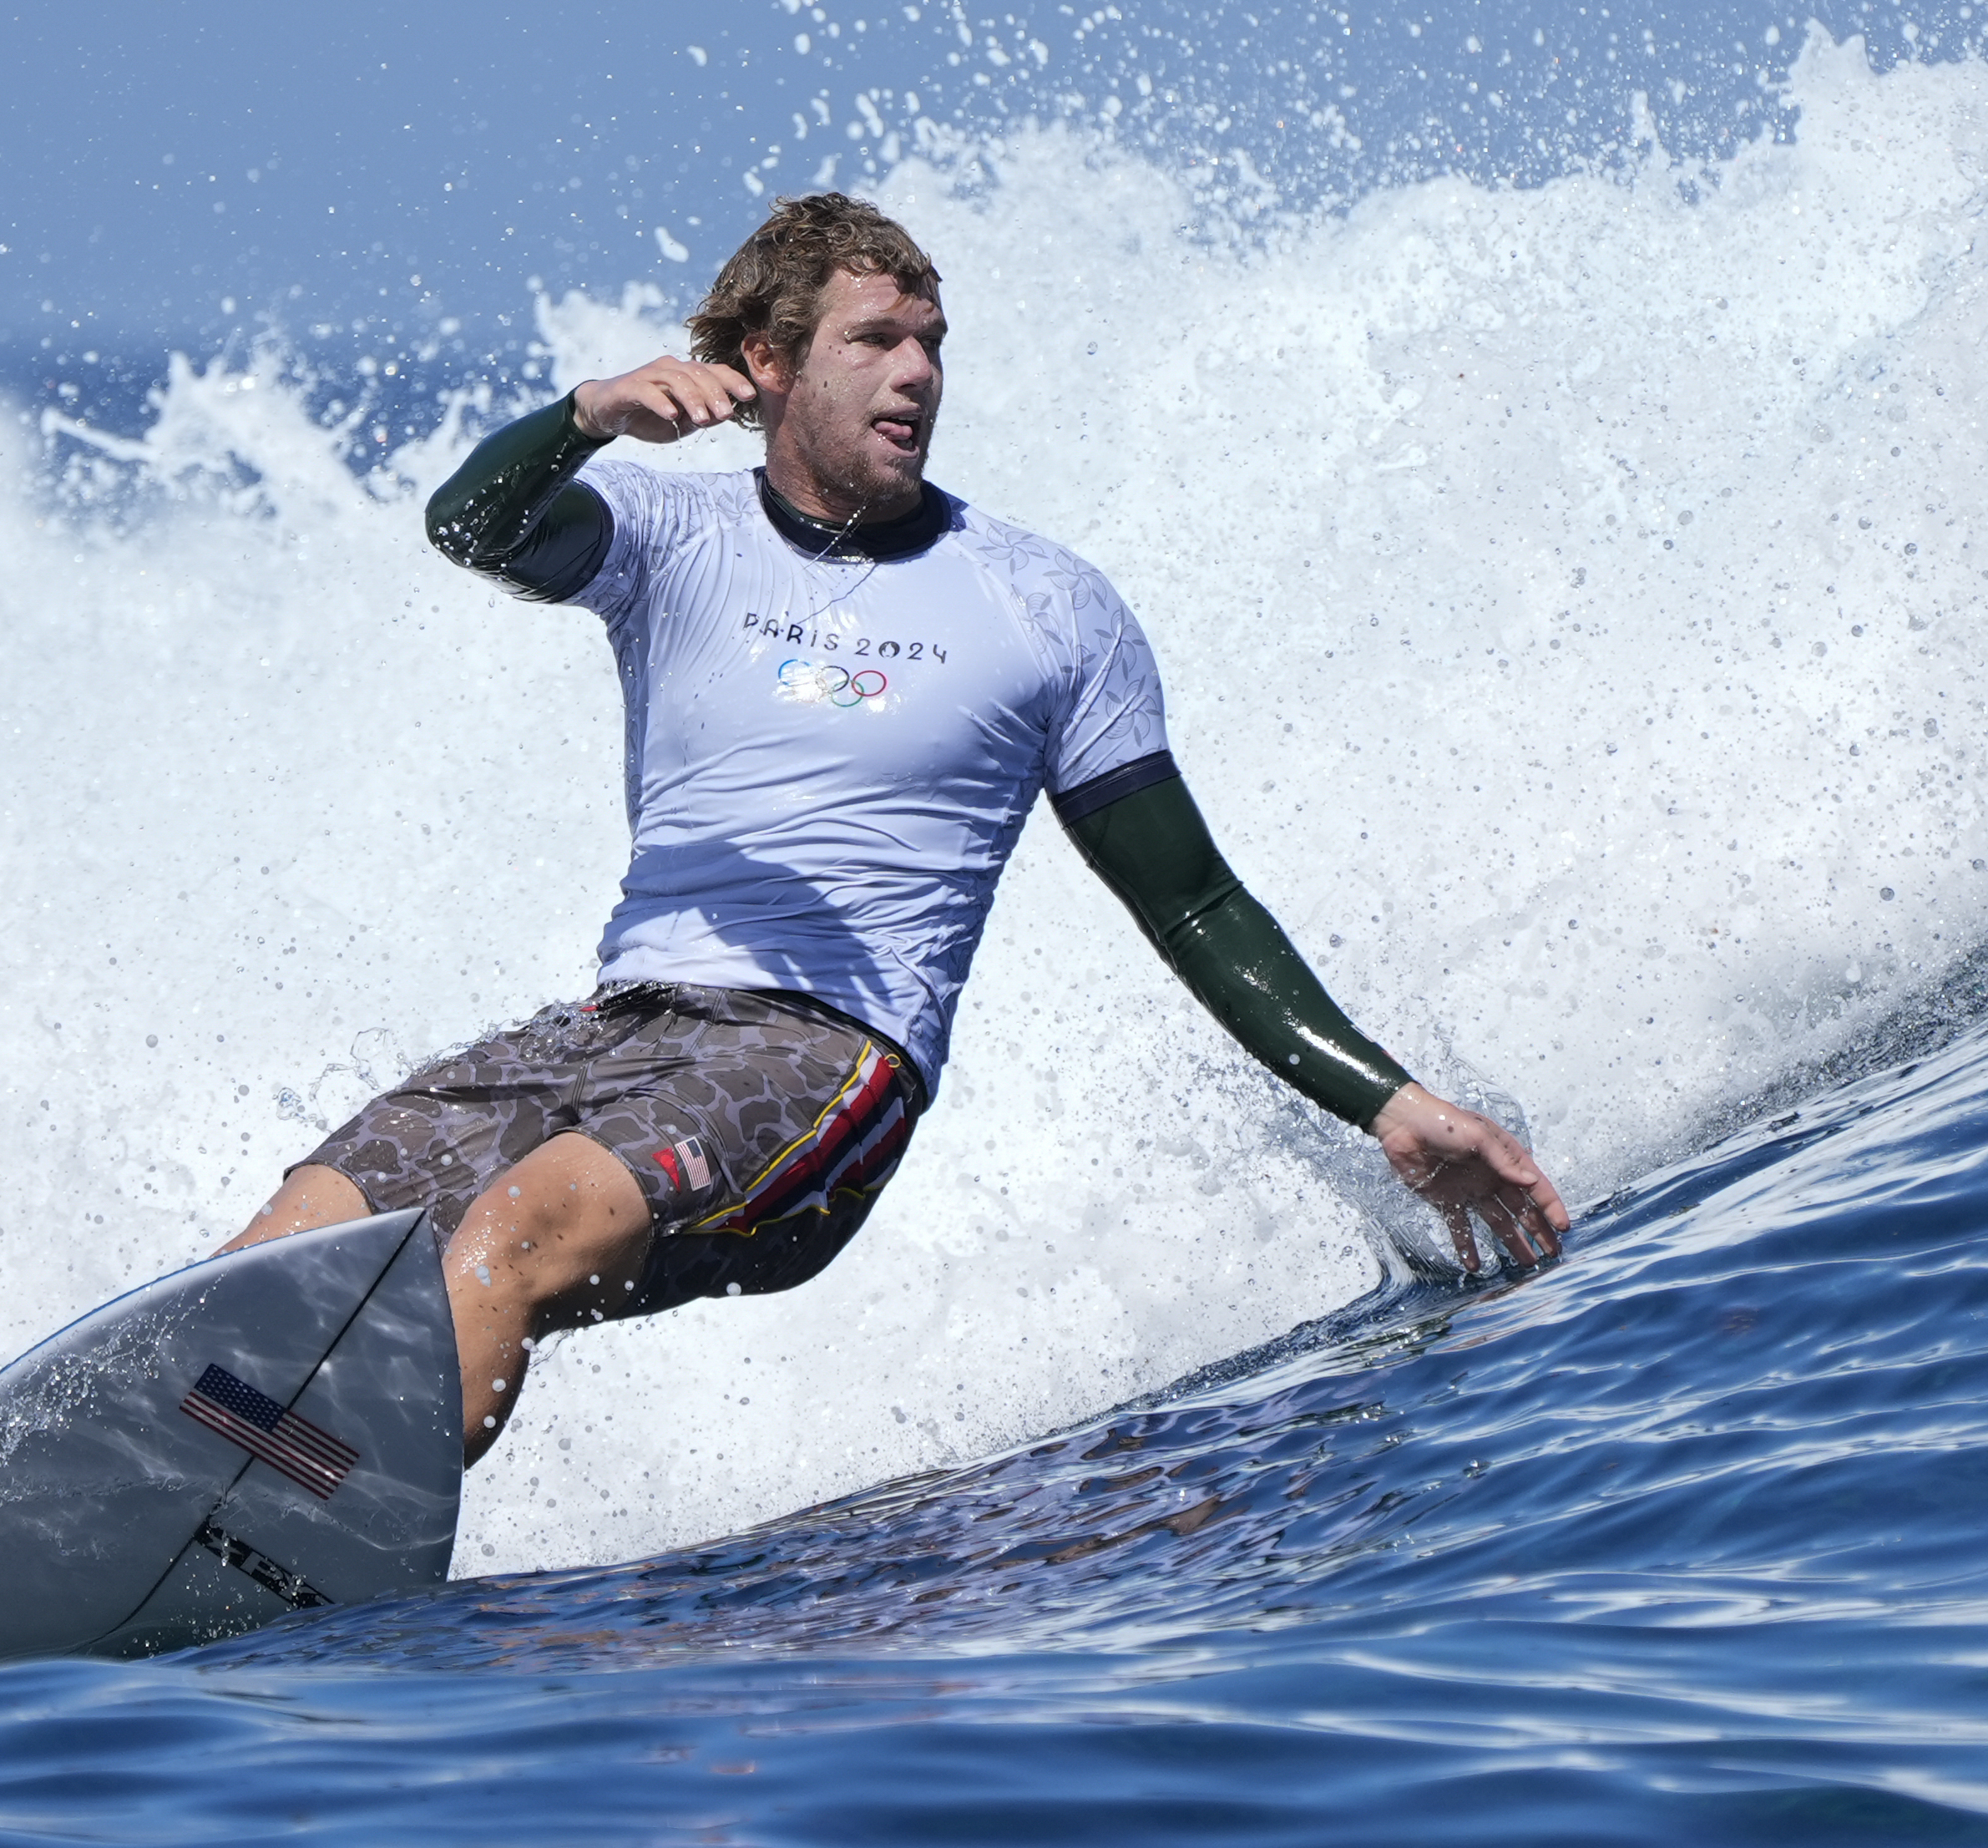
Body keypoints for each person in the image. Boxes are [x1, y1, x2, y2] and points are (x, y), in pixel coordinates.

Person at [221, 193, 1566, 1464]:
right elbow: (470, 525)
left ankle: (330, 1577)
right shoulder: (664, 534)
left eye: (931, 343)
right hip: (620, 1026)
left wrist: (1386, 1099)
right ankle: (176, 1496)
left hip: (826, 1062)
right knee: (298, 1240)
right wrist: (586, 416)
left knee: (513, 1230)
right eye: (874, 340)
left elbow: (1195, 902)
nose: (916, 372)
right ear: (768, 362)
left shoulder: (1046, 607)